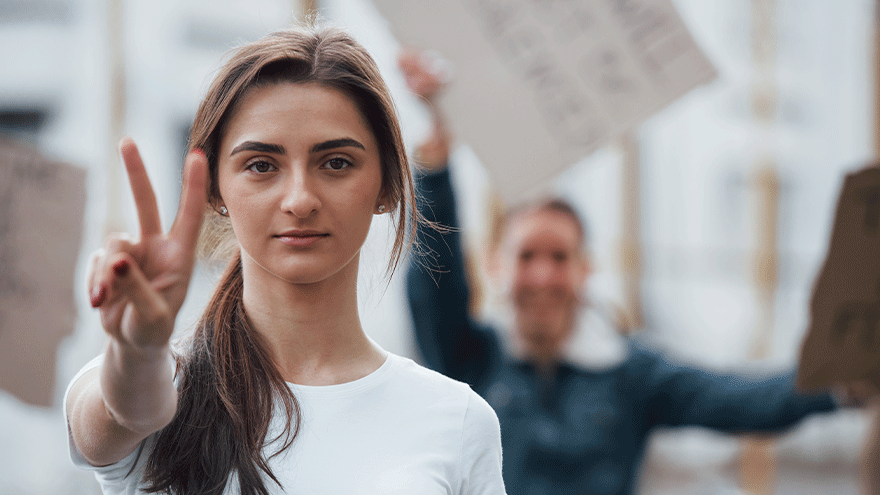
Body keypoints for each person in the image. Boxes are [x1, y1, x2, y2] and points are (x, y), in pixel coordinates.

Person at [64, 27, 505, 495]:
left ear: (388, 185)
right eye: (261, 165)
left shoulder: (457, 420)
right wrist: (138, 350)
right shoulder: (154, 382)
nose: (299, 199)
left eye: (336, 163)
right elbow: (124, 412)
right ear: (216, 189)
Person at [400, 50, 841, 495]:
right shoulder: (470, 359)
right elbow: (435, 283)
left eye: (559, 258)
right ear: (496, 267)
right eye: (527, 256)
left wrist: (842, 379)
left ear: (585, 270)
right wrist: (435, 161)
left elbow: (742, 402)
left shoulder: (631, 374)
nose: (543, 276)